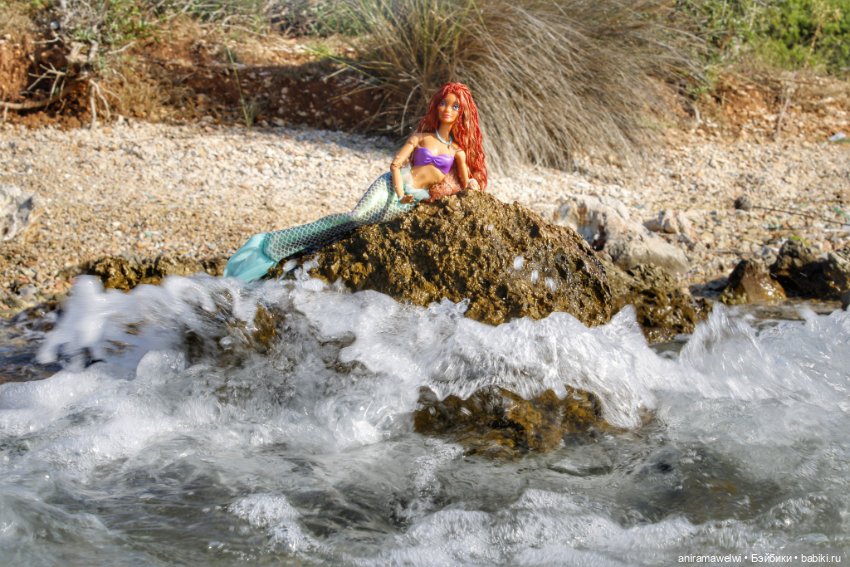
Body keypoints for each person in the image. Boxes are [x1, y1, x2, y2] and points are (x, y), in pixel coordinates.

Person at [223, 82, 488, 282]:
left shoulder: (458, 152)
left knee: (356, 230)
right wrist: (399, 191)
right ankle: (274, 245)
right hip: (390, 188)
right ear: (436, 105)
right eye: (444, 103)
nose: (447, 110)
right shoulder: (420, 137)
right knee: (357, 217)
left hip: (412, 202)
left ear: (462, 113)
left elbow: (466, 185)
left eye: (455, 106)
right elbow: (395, 165)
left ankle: (299, 253)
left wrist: (472, 185)